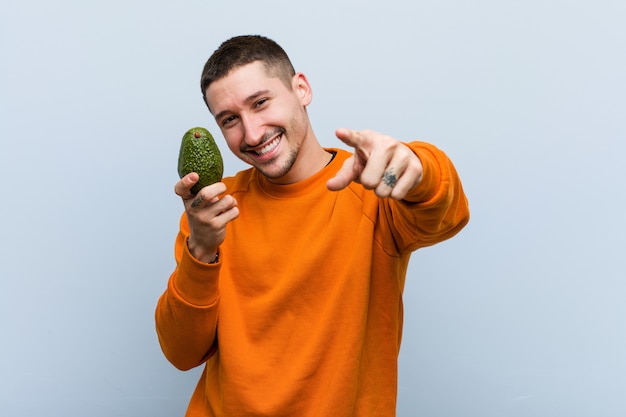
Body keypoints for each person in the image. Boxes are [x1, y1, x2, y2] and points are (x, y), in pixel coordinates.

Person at [155, 34, 470, 417]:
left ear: (301, 88)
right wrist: (201, 250)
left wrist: (419, 168)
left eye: (260, 103)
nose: (252, 134)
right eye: (230, 120)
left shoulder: (372, 190)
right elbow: (182, 353)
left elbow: (447, 215)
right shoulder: (213, 213)